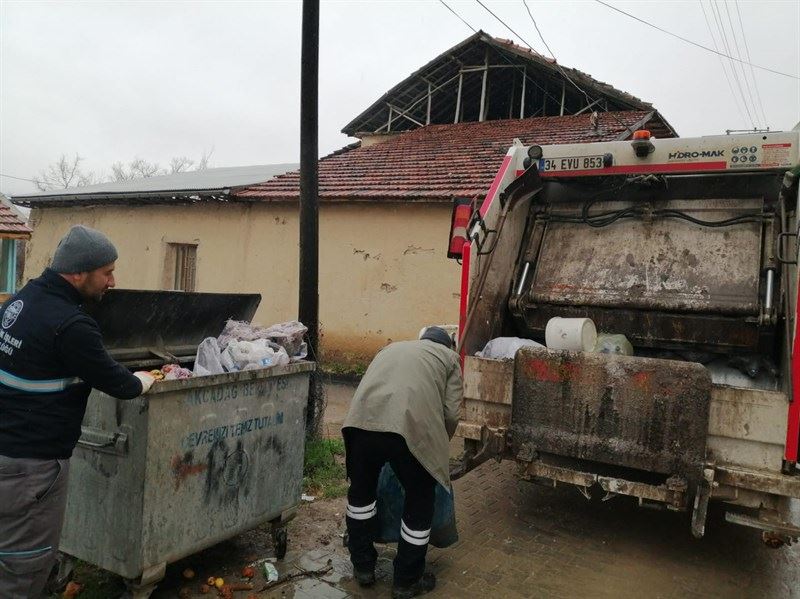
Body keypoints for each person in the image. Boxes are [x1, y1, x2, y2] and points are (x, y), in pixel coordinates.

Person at [0, 225, 156, 598]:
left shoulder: (20, 302)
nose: (112, 280)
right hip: (33, 469)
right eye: (106, 272)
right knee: (24, 566)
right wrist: (145, 380)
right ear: (79, 272)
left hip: (7, 451)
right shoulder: (71, 325)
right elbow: (120, 384)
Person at [342, 326, 463, 599]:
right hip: (408, 431)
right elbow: (451, 413)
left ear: (421, 339)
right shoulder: (449, 358)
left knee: (361, 494)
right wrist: (437, 445)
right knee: (420, 500)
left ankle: (363, 568)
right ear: (448, 345)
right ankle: (406, 581)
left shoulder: (391, 347)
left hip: (360, 423)